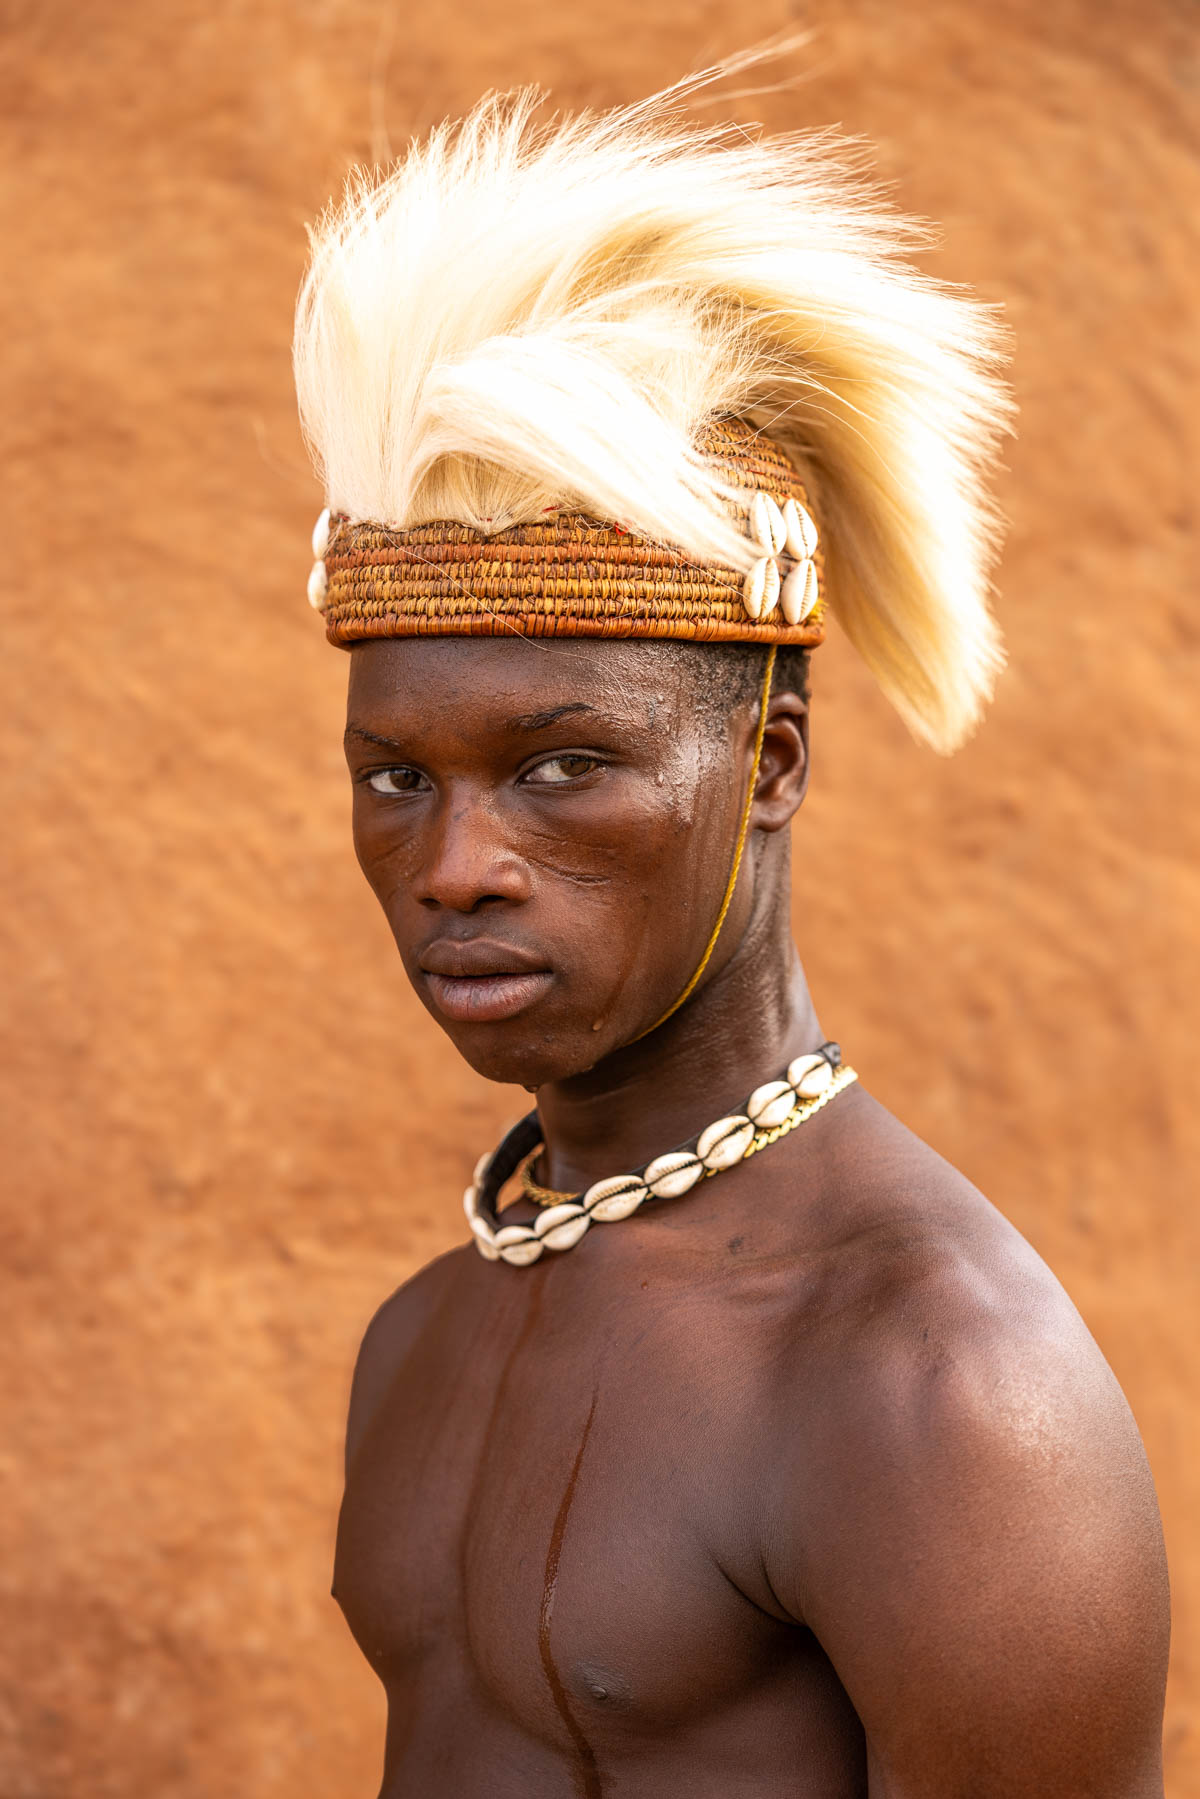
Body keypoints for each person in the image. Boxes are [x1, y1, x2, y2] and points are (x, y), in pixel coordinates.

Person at [291, 68, 1169, 1799]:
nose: (456, 865)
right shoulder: (426, 1336)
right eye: (396, 778)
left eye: (562, 769)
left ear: (768, 765)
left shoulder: (936, 1386)